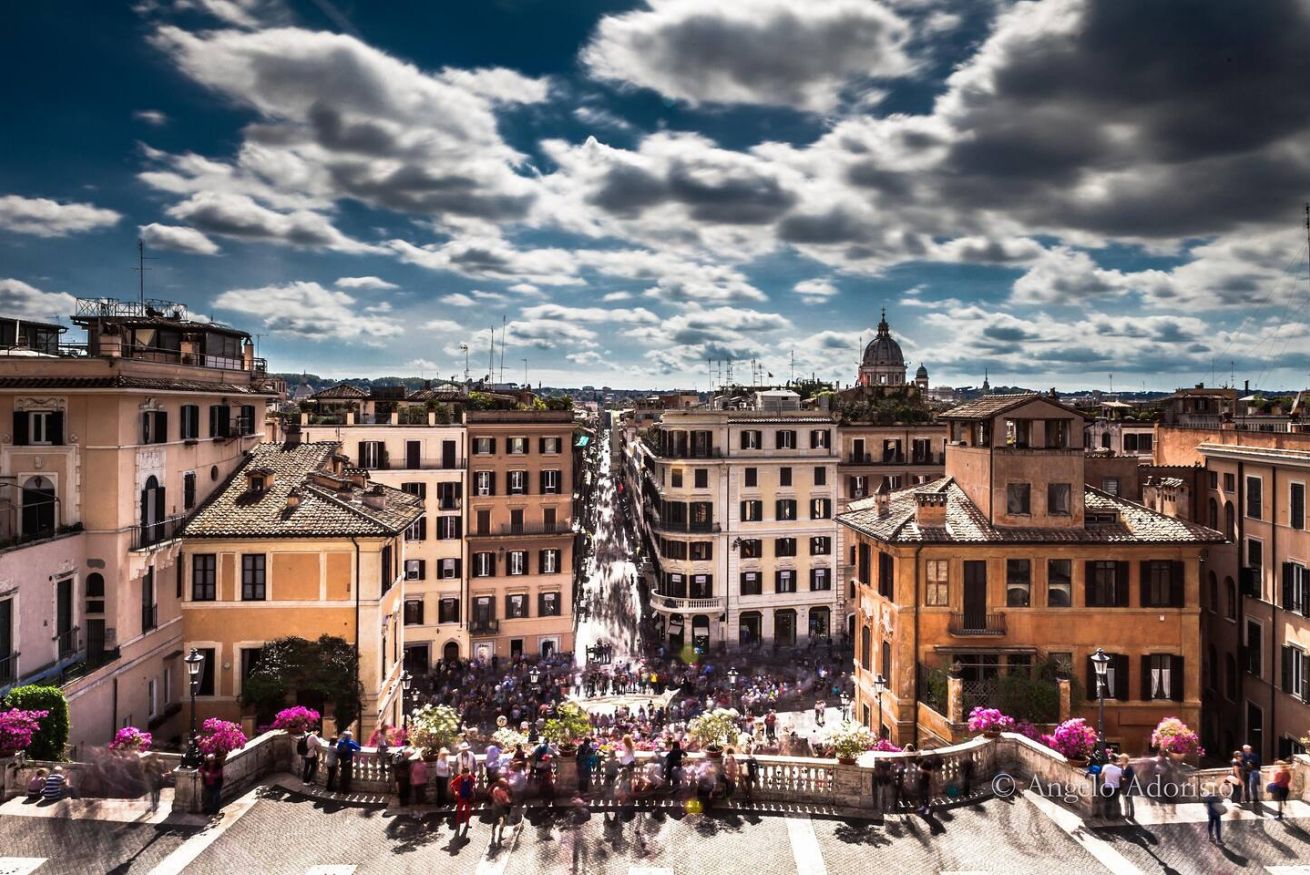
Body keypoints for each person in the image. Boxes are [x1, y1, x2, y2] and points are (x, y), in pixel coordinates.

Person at [451, 766, 476, 833]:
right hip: (461, 797)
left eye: (466, 774)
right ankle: (458, 824)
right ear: (462, 774)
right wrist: (455, 792)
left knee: (467, 811)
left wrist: (472, 787)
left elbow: (474, 781)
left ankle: (467, 823)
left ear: (468, 773)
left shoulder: (470, 777)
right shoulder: (459, 778)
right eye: (464, 775)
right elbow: (452, 784)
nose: (465, 776)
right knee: (459, 811)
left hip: (468, 797)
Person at [1098, 755, 1123, 820]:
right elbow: (1120, 779)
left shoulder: (1106, 767)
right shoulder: (1119, 769)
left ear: (1110, 760)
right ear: (1116, 760)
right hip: (1116, 787)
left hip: (1108, 787)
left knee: (1107, 801)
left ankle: (1107, 817)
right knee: (1115, 801)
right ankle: (1116, 816)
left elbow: (1101, 776)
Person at [490, 778, 512, 844]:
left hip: (495, 807)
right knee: (504, 820)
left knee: (495, 821)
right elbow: (507, 801)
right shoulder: (503, 792)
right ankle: (500, 835)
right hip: (502, 808)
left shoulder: (495, 789)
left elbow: (493, 796)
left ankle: (493, 835)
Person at [1241, 743, 1262, 810]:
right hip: (1245, 771)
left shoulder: (1255, 755)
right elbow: (1240, 763)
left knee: (1253, 785)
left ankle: (1255, 798)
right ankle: (1247, 799)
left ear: (1250, 749)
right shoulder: (1242, 755)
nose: (1246, 750)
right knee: (1246, 785)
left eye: (1247, 749)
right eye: (1245, 749)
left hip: (1253, 771)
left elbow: (1258, 764)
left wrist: (1251, 763)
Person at [1117, 754, 1136, 819]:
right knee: (1125, 800)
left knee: (1130, 800)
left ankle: (1132, 815)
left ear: (1125, 759)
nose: (1120, 760)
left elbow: (1131, 777)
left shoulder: (1129, 768)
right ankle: (1126, 814)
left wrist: (1123, 778)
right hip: (1123, 786)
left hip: (1128, 786)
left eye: (1121, 759)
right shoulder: (1122, 767)